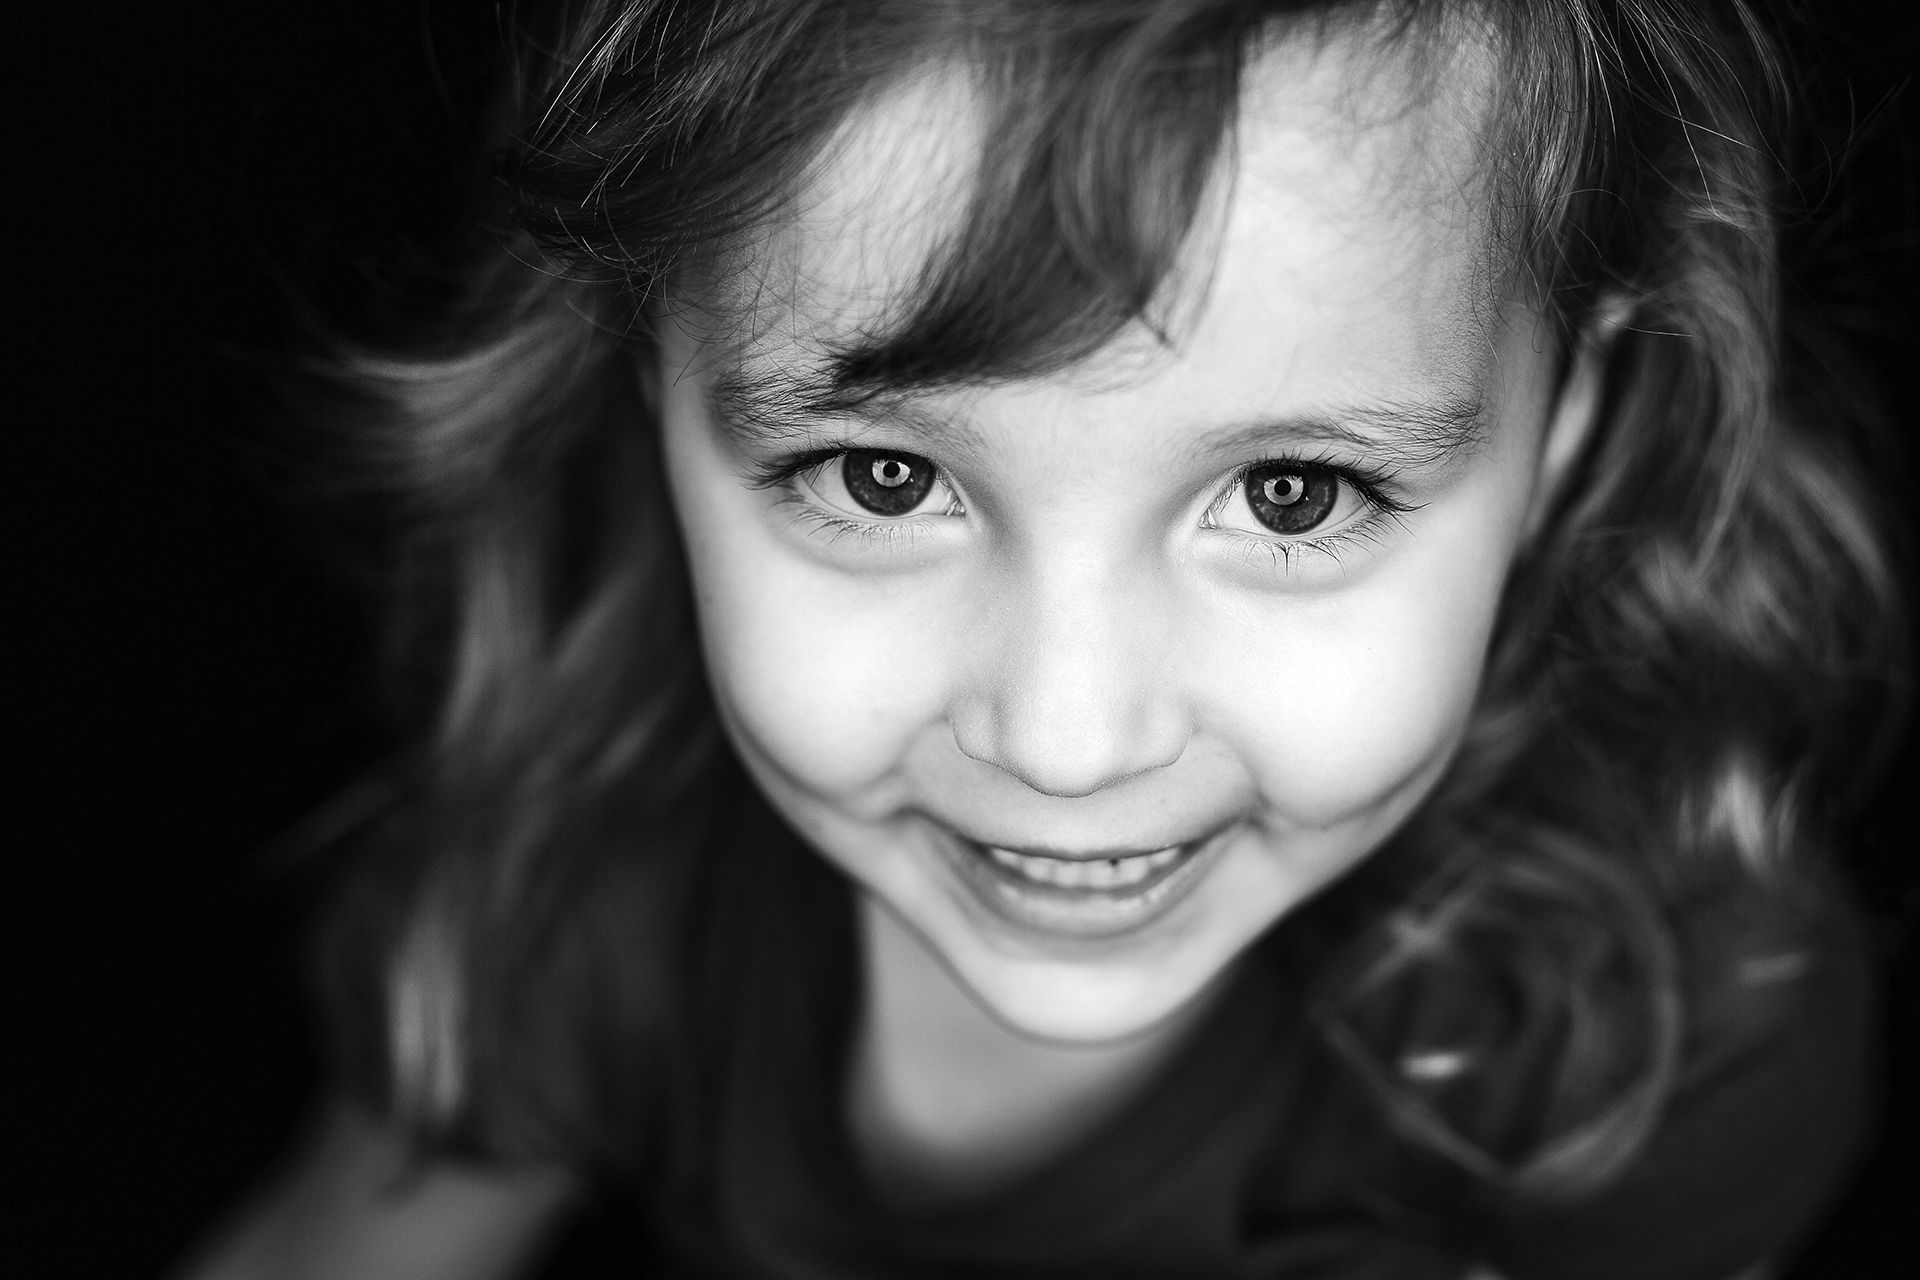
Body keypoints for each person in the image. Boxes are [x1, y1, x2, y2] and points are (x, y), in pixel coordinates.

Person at [180, 1, 1907, 1277]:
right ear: (653, 390)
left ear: (1572, 438)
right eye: (881, 474)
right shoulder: (585, 858)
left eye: (1295, 497)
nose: (1068, 742)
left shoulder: (1670, 1033)